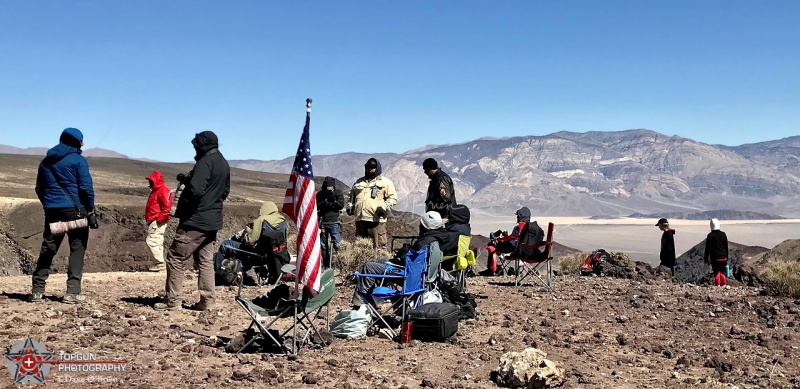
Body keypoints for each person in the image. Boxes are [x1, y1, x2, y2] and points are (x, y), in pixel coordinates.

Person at [154, 131, 230, 311]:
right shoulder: (223, 163)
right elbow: (224, 191)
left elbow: (195, 191)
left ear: (202, 144)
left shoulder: (204, 163)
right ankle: (207, 301)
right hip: (212, 221)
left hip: (195, 220)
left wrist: (185, 207)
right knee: (205, 260)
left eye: (196, 144)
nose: (194, 147)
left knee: (176, 257)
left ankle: (172, 301)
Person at [30, 128, 98, 304]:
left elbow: (39, 188)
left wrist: (50, 204)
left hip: (53, 212)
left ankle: (37, 290)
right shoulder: (78, 160)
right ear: (78, 143)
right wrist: (90, 209)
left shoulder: (45, 162)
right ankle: (72, 292)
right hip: (75, 212)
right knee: (77, 248)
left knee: (49, 248)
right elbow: (86, 189)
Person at [352, 211, 452, 306]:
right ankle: (373, 301)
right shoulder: (439, 239)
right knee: (381, 261)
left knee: (369, 267)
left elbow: (410, 262)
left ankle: (360, 303)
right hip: (426, 277)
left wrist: (402, 254)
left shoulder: (424, 243)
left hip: (409, 277)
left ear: (425, 227)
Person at [213, 201, 288, 285]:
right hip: (273, 254)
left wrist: (248, 232)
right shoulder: (282, 220)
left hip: (256, 253)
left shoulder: (261, 220)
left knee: (225, 244)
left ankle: (218, 272)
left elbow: (249, 241)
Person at [346, 157, 398, 250]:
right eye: (368, 166)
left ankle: (379, 264)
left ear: (377, 168)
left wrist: (384, 207)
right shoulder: (359, 182)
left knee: (378, 246)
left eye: (372, 167)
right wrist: (350, 206)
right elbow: (352, 197)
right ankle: (362, 264)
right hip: (360, 219)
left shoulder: (385, 182)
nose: (370, 169)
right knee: (360, 247)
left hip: (376, 220)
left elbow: (393, 198)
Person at [485, 206, 534, 275]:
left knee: (492, 245)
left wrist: (504, 239)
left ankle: (491, 270)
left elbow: (514, 241)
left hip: (515, 250)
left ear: (521, 217)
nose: (517, 217)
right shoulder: (532, 229)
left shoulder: (518, 228)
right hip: (528, 252)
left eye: (518, 216)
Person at [145, 171, 172, 272]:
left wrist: (159, 219)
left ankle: (160, 264)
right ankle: (160, 265)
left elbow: (167, 207)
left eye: (151, 181)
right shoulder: (157, 190)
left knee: (151, 241)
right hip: (155, 219)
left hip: (157, 220)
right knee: (157, 241)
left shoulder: (162, 190)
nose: (149, 183)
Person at [317, 176, 344, 268]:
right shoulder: (320, 195)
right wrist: (324, 203)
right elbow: (316, 206)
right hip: (323, 223)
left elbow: (341, 205)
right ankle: (326, 265)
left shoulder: (338, 193)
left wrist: (333, 202)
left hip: (334, 222)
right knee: (324, 246)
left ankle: (340, 264)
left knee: (337, 244)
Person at [422, 158, 457, 222]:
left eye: (426, 170)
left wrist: (432, 206)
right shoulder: (436, 179)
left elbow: (445, 200)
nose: (425, 172)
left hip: (444, 217)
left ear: (431, 169)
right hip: (439, 216)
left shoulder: (441, 179)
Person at [704, 218, 729, 286]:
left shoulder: (710, 236)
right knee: (722, 273)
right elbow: (726, 247)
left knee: (717, 273)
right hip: (723, 257)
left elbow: (707, 248)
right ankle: (724, 285)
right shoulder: (723, 234)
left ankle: (717, 286)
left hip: (715, 258)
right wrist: (726, 257)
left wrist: (706, 258)